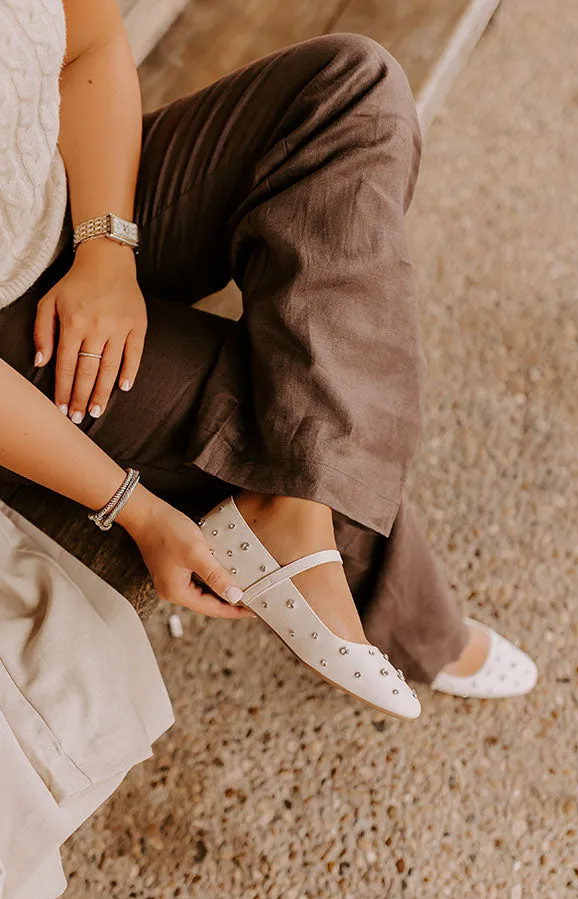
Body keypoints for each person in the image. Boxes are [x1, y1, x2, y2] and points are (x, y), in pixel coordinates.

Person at [0, 0, 537, 714]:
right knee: (272, 412)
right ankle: (422, 628)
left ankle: (296, 512)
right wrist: (134, 509)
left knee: (350, 85)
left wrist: (106, 250)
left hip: (63, 183)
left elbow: (89, 41)